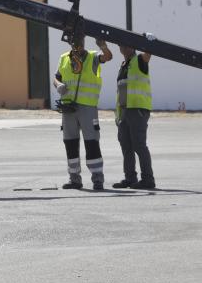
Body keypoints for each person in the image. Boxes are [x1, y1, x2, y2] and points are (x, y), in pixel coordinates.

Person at [53, 36, 112, 190]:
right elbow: (56, 77)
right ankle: (74, 179)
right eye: (74, 41)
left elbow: (107, 57)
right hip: (68, 107)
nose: (77, 44)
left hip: (87, 107)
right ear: (70, 42)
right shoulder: (64, 58)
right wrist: (58, 85)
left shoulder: (92, 56)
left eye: (80, 41)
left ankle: (97, 179)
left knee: (92, 143)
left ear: (84, 41)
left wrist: (103, 46)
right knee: (70, 143)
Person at [113, 37, 155, 189]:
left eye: (127, 45)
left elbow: (148, 54)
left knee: (139, 145)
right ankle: (130, 178)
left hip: (137, 109)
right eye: (121, 45)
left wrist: (149, 42)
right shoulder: (124, 65)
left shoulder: (139, 60)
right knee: (126, 146)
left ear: (133, 47)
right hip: (124, 112)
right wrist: (118, 115)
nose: (124, 47)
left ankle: (148, 179)